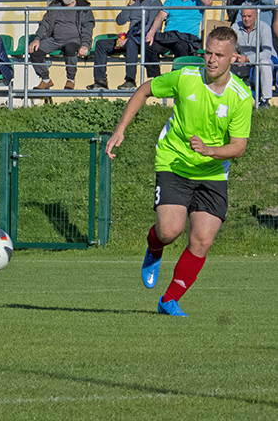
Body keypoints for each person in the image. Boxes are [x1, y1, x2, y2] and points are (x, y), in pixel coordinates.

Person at [105, 26, 252, 317]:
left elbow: (238, 147)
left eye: (219, 55)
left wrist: (210, 151)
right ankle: (155, 245)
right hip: (174, 162)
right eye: (208, 52)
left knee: (202, 240)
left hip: (211, 173)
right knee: (169, 231)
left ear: (233, 58)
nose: (211, 60)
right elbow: (145, 89)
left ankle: (169, 300)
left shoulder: (240, 97)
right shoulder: (186, 78)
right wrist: (121, 129)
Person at [89, 0, 163, 90]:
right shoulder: (136, 2)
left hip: (143, 39)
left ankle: (130, 81)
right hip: (130, 37)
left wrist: (130, 38)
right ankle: (100, 81)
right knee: (101, 44)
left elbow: (150, 27)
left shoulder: (155, 2)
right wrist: (129, 5)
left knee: (131, 42)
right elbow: (120, 20)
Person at [29, 0, 94, 90]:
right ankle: (45, 79)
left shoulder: (84, 8)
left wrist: (85, 45)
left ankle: (70, 80)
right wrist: (37, 39)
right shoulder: (55, 5)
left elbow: (88, 28)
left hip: (74, 40)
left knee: (70, 48)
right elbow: (45, 23)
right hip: (54, 40)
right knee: (34, 50)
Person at [143, 0, 213, 78]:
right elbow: (160, 16)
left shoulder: (197, 0)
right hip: (169, 38)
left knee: (181, 45)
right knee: (148, 45)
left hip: (188, 39)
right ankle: (156, 78)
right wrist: (151, 33)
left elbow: (209, 2)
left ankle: (177, 77)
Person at [232, 7, 275, 108]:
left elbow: (267, 53)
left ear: (255, 16)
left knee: (265, 63)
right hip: (243, 63)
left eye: (249, 16)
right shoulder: (235, 27)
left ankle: (265, 100)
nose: (246, 19)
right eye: (244, 16)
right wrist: (234, 56)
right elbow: (230, 47)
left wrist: (247, 58)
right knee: (226, 65)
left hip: (261, 61)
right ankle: (231, 98)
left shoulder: (264, 27)